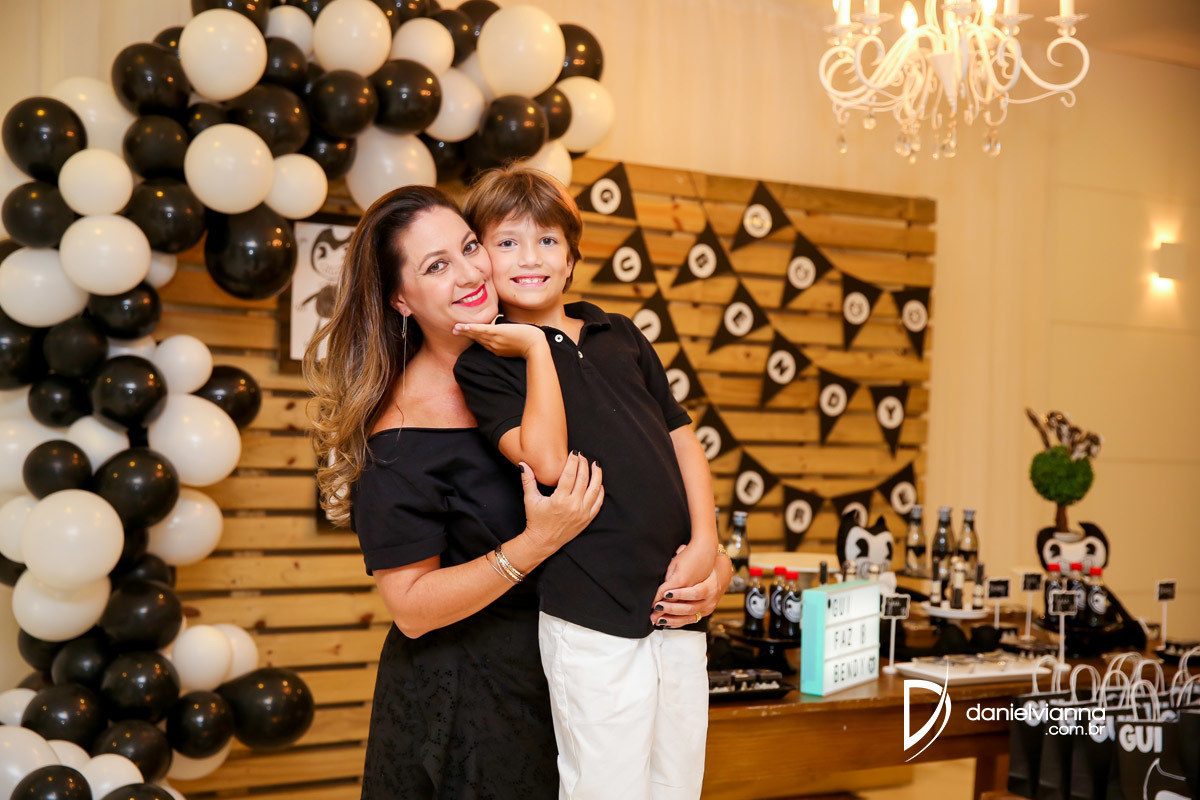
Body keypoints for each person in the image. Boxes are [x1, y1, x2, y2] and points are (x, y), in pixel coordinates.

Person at [304, 185, 731, 800]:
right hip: (473, 707)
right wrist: (535, 543)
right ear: (400, 298)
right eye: (436, 266)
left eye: (469, 247)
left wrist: (712, 565)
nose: (470, 272)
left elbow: (647, 474)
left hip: (590, 663)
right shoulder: (399, 434)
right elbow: (412, 609)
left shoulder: (553, 360)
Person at [454, 165, 720, 800]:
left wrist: (707, 543)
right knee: (607, 787)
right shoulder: (484, 367)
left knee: (678, 784)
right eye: (508, 241)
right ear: (482, 259)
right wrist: (535, 348)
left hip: (677, 600)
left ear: (571, 258)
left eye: (547, 240)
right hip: (590, 613)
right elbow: (546, 463)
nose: (530, 257)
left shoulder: (620, 333)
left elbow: (683, 440)